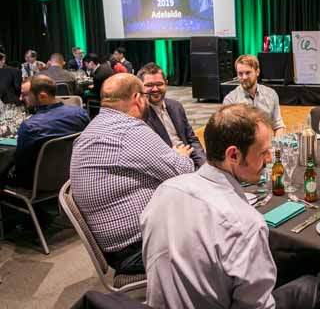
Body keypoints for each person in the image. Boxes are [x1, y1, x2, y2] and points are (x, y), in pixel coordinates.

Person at [141, 104, 320, 309]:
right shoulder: (246, 224)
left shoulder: (165, 190)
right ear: (233, 155)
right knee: (313, 285)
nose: (270, 159)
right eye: (264, 152)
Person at [70, 73, 194, 275]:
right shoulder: (128, 130)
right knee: (222, 230)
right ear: (138, 98)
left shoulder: (96, 126)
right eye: (145, 95)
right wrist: (180, 155)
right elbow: (184, 171)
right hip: (138, 248)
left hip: (120, 245)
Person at [8, 76, 89, 190]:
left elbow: (21, 167)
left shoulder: (30, 127)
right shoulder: (81, 113)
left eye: (25, 94)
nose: (21, 98)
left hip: (37, 185)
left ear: (42, 96)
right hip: (74, 177)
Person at [139, 63, 206, 169]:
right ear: (141, 87)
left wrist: (203, 164)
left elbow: (191, 139)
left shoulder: (176, 106)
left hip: (190, 160)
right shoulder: (140, 115)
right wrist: (180, 160)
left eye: (159, 84)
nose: (155, 89)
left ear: (166, 84)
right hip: (168, 166)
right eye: (149, 85)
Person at [222, 54, 286, 136]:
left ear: (257, 72)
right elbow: (228, 133)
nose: (244, 77)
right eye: (240, 74)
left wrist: (276, 142)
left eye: (248, 73)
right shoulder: (230, 101)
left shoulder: (271, 94)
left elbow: (279, 126)